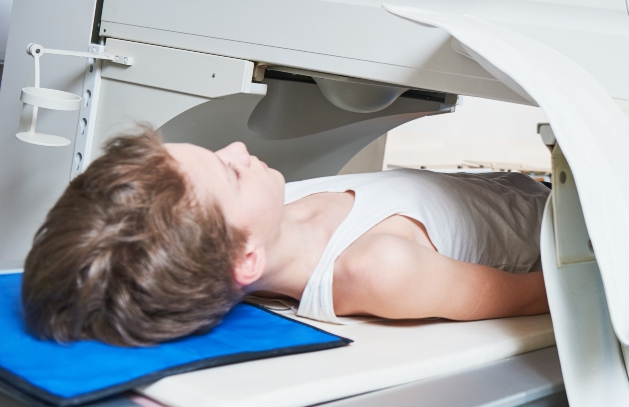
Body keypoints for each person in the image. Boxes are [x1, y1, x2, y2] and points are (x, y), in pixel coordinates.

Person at [21, 130, 550, 346]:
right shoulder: (378, 268)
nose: (236, 148)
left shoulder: (271, 210)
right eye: (230, 172)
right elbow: (537, 295)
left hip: (508, 186)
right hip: (564, 215)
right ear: (247, 259)